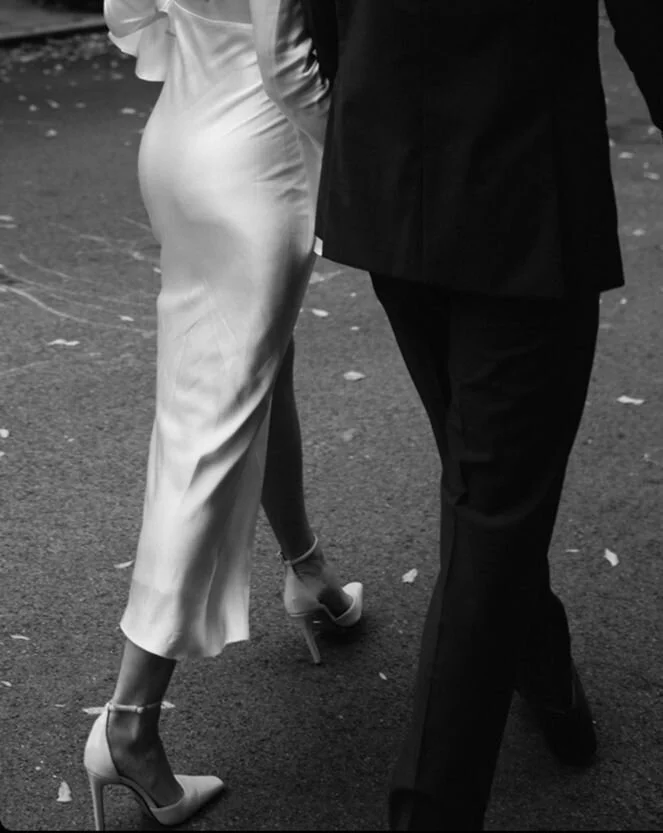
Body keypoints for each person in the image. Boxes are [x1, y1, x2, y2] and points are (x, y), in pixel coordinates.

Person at [251, 0, 663, 829]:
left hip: (389, 176)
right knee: (492, 505)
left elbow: (303, 20)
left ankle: (543, 669)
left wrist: (370, 122)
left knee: (485, 483)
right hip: (519, 188)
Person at [83, 1, 363, 829]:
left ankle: (308, 573)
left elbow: (128, 9)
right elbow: (286, 61)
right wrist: (350, 163)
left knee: (252, 379)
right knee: (211, 428)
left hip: (179, 137)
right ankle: (129, 724)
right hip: (257, 155)